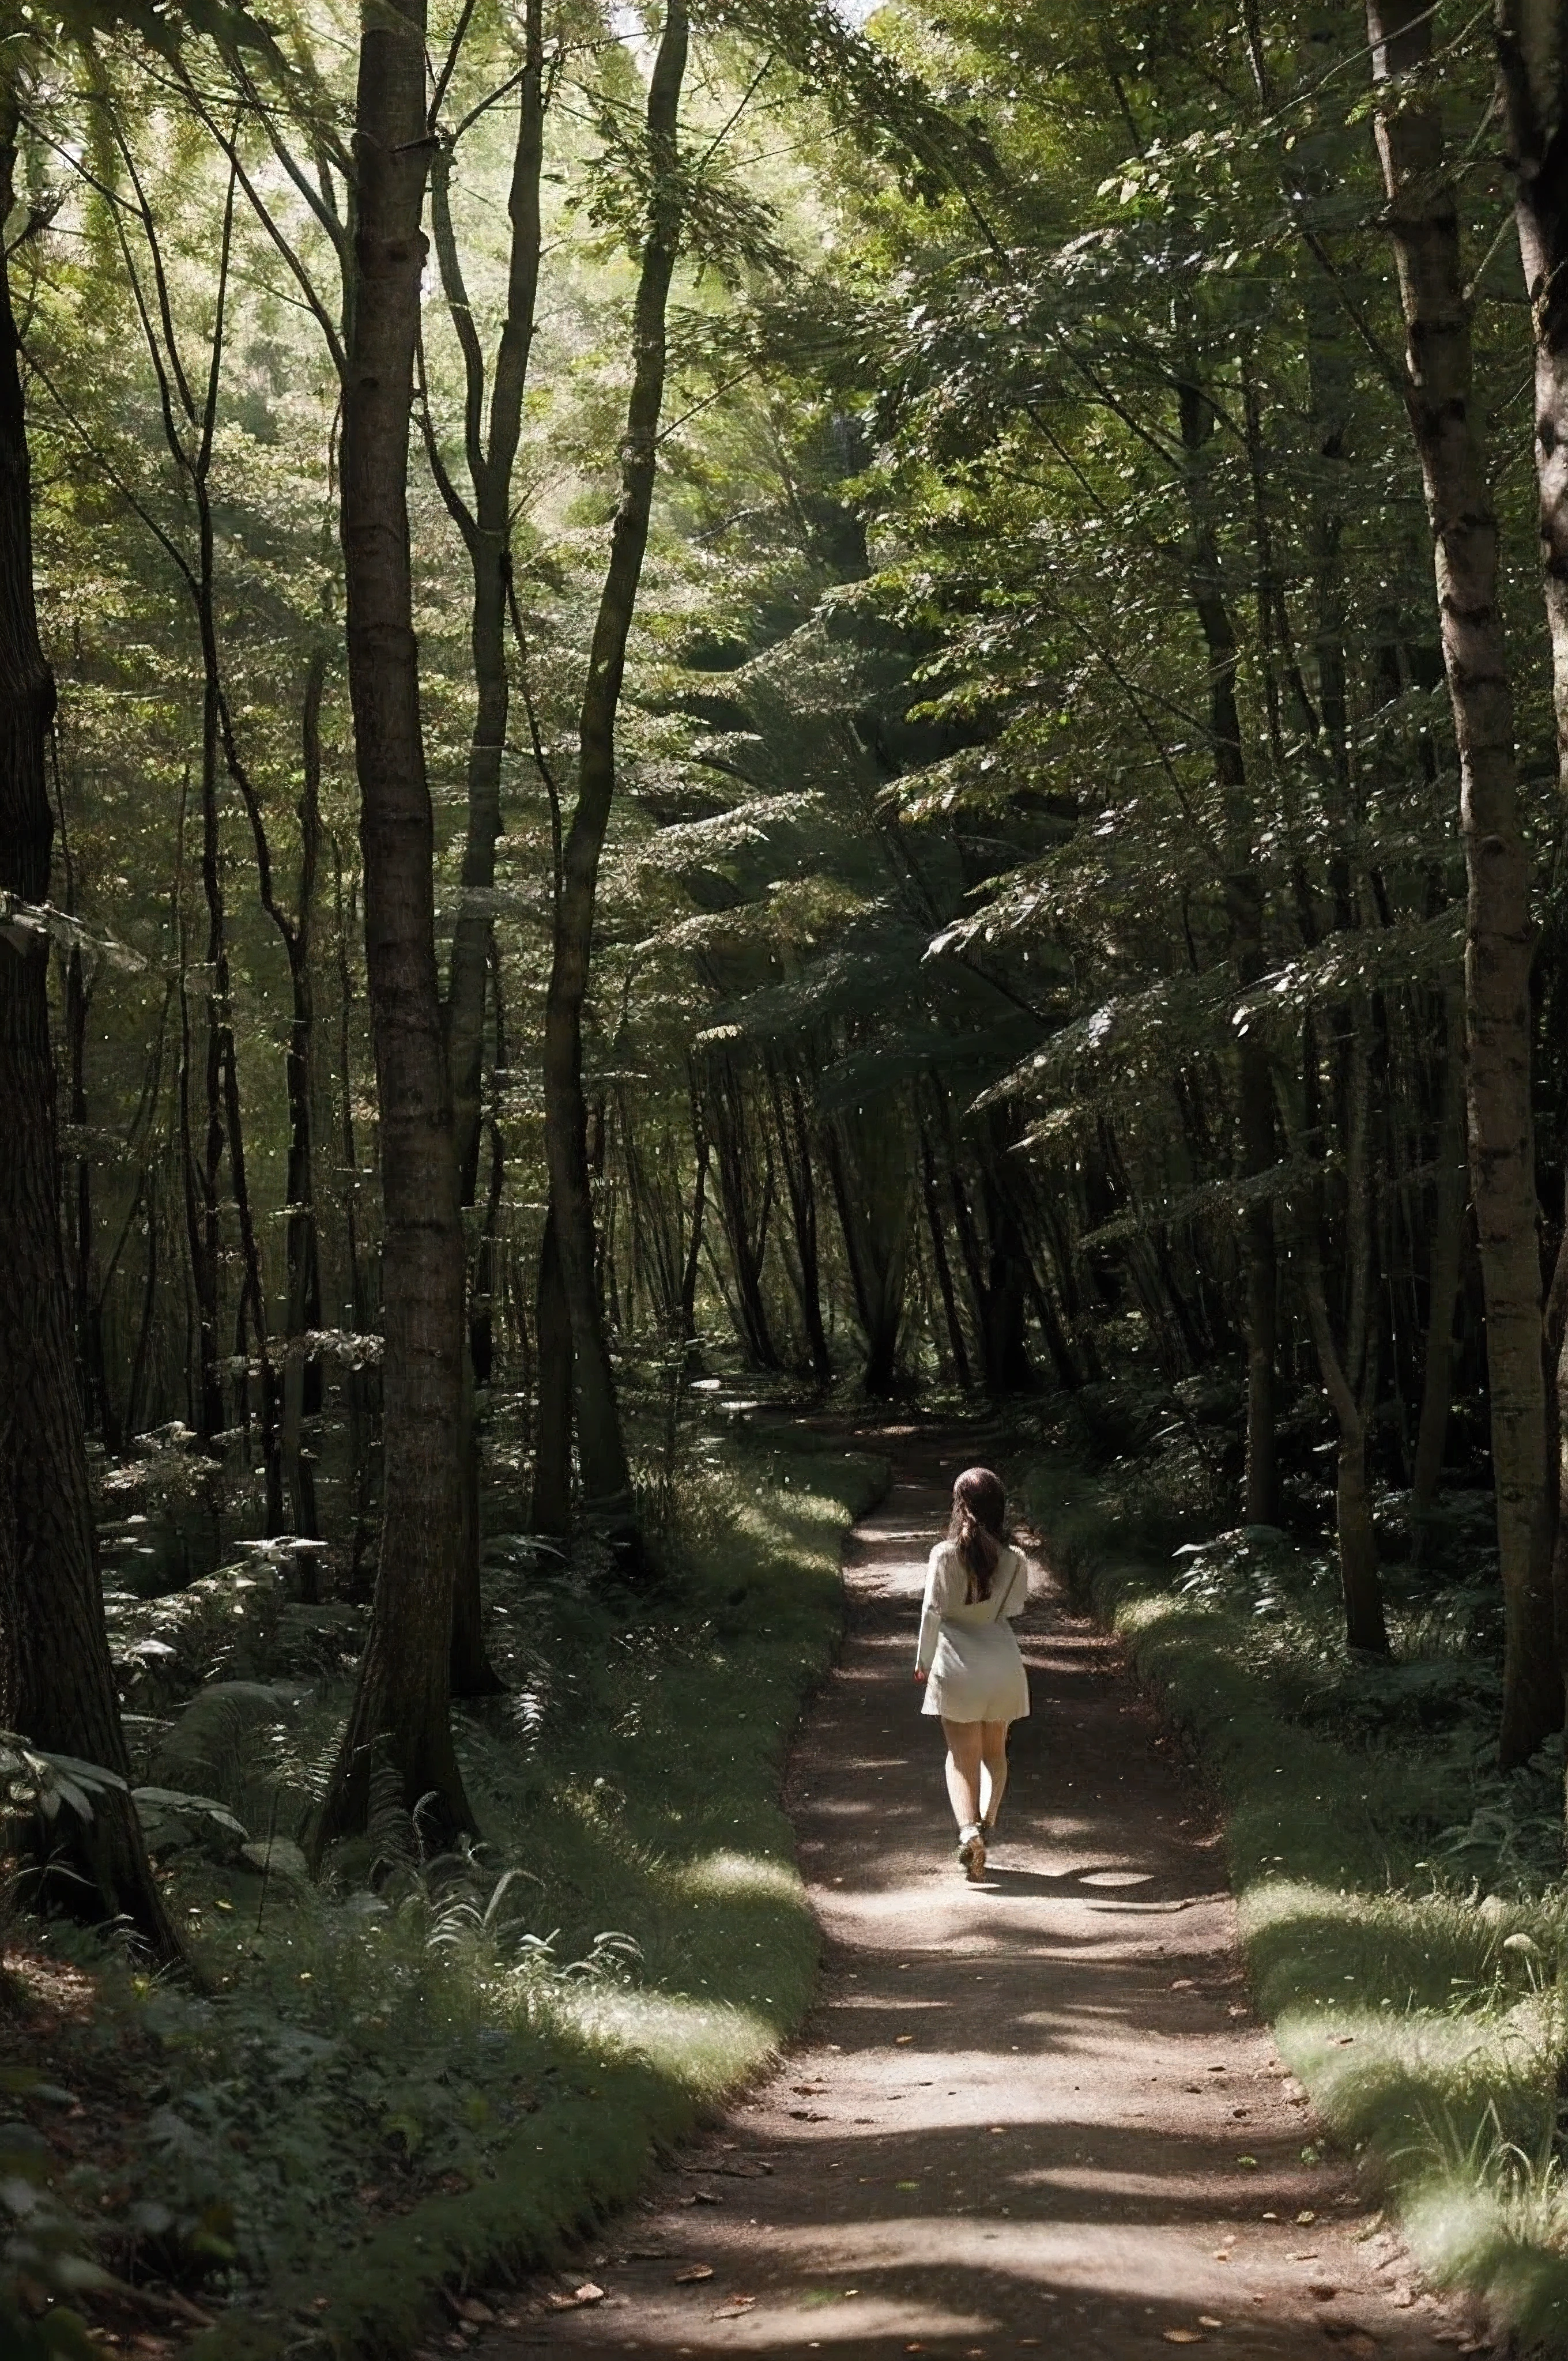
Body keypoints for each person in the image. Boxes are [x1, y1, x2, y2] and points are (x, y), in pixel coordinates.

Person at [914, 1466, 1030, 1880]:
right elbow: (1013, 1609)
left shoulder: (944, 1555)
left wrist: (923, 1661)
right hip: (1002, 1662)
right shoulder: (1016, 1560)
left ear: (959, 1505)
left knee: (961, 1759)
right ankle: (987, 1824)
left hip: (956, 1663)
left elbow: (932, 1611)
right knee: (995, 1754)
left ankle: (968, 1833)